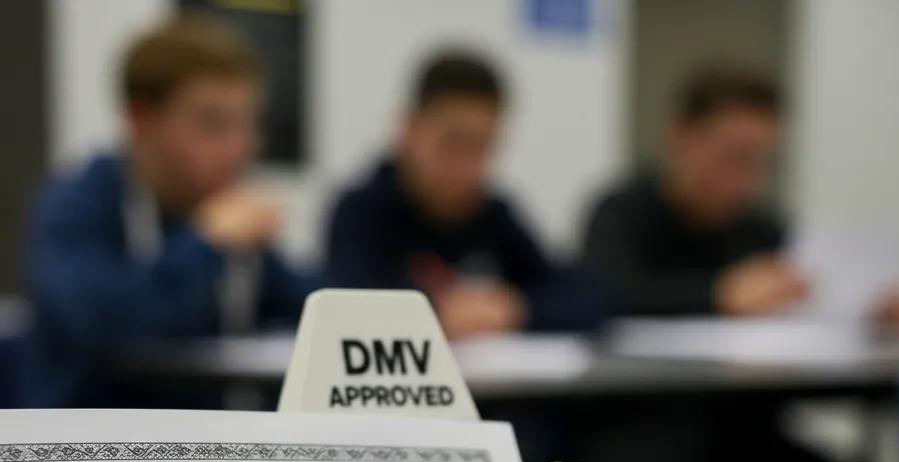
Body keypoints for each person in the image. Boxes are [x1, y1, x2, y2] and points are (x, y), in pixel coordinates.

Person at [27, 15, 318, 403]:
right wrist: (205, 242)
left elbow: (309, 308)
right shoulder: (78, 206)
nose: (240, 148)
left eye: (248, 124)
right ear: (140, 120)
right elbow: (97, 323)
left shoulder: (227, 223)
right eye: (213, 123)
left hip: (209, 452)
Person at [583, 65, 899, 322]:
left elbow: (807, 294)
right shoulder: (620, 213)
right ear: (681, 136)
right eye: (735, 158)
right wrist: (717, 295)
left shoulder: (763, 227)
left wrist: (867, 308)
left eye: (764, 162)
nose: (749, 181)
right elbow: (603, 296)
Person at [324, 51, 606, 339]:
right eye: (453, 142)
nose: (468, 166)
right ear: (408, 129)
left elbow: (587, 296)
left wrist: (515, 308)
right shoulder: (360, 210)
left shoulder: (493, 214)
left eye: (483, 147)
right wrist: (436, 310)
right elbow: (346, 305)